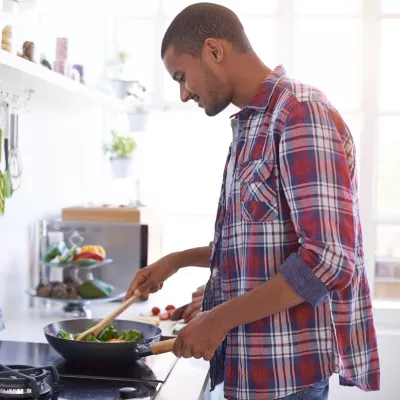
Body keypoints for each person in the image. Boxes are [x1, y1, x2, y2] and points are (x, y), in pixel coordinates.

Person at [124, 3, 380, 399]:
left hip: (286, 376)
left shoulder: (300, 112)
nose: (183, 93)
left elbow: (328, 260)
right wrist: (174, 262)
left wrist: (217, 319)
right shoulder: (252, 124)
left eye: (181, 76)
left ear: (214, 50)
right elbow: (257, 244)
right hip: (250, 371)